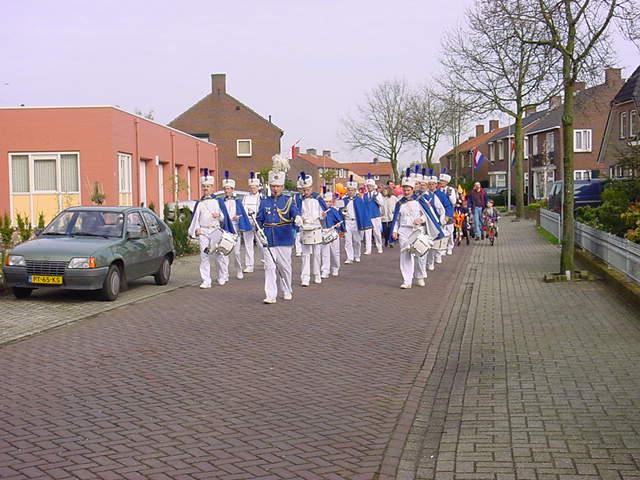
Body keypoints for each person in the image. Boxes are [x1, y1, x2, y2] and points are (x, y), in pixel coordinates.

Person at [256, 154, 301, 304]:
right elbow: (259, 219)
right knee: (269, 267)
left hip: (283, 237)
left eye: (278, 186)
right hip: (269, 238)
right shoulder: (264, 202)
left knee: (284, 266)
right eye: (273, 186)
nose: (275, 189)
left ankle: (287, 289)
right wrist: (257, 228)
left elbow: (294, 212)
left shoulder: (288, 200)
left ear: (282, 186)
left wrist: (297, 217)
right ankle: (270, 294)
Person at [390, 170, 427, 289]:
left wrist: (421, 219)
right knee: (405, 255)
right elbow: (396, 218)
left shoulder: (419, 200)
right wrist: (395, 230)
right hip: (404, 231)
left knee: (420, 254)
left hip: (416, 230)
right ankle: (407, 280)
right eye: (404, 190)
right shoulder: (399, 203)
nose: (406, 192)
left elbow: (428, 215)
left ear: (412, 189)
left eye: (408, 190)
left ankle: (420, 276)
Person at [187, 170, 224, 289]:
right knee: (204, 255)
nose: (205, 188)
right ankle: (206, 280)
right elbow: (196, 218)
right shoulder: (200, 203)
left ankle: (222, 275)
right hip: (203, 231)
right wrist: (196, 229)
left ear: (212, 187)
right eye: (204, 186)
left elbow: (224, 217)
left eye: (208, 186)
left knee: (218, 255)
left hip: (215, 230)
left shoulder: (218, 202)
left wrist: (218, 216)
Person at [216, 171, 252, 285]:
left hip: (235, 229)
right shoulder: (220, 202)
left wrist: (238, 218)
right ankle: (224, 274)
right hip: (226, 229)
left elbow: (243, 215)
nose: (227, 191)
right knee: (224, 252)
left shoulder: (238, 202)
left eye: (229, 189)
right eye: (225, 189)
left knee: (236, 252)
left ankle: (239, 269)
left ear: (233, 189)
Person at [297, 172, 327, 286]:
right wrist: (300, 219)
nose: (305, 192)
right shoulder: (299, 200)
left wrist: (323, 215)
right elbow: (298, 213)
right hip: (305, 228)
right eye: (303, 190)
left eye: (307, 189)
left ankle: (317, 274)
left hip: (316, 226)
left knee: (317, 253)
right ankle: (305, 277)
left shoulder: (318, 199)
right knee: (305, 254)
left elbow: (323, 212)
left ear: (311, 188)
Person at [342, 176, 372, 264]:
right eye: (349, 190)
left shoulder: (359, 200)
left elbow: (362, 212)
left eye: (352, 190)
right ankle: (349, 257)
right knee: (348, 241)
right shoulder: (344, 200)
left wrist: (364, 223)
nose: (350, 192)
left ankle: (357, 255)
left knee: (357, 240)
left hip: (356, 221)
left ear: (355, 191)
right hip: (347, 221)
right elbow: (340, 210)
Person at [241, 171, 263, 273]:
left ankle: (267, 260)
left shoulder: (262, 197)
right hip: (247, 223)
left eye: (255, 187)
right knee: (248, 244)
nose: (253, 189)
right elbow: (243, 209)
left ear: (258, 187)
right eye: (251, 187)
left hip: (258, 223)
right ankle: (249, 265)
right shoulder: (245, 197)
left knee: (262, 243)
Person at [321, 191, 344, 278]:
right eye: (326, 202)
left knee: (335, 252)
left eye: (329, 201)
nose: (327, 203)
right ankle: (325, 270)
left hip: (333, 232)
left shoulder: (334, 210)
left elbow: (340, 220)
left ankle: (335, 267)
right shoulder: (321, 211)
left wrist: (339, 225)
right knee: (325, 253)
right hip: (324, 232)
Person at [439, 169, 458, 255]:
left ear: (446, 182)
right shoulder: (437, 190)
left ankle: (450, 246)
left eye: (443, 181)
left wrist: (450, 195)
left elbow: (453, 202)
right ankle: (443, 247)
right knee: (441, 231)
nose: (441, 182)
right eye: (440, 181)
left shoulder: (450, 190)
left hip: (448, 212)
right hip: (440, 213)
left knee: (449, 231)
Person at [363, 173, 384, 254]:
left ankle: (379, 246)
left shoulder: (377, 194)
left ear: (373, 186)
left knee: (377, 232)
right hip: (368, 216)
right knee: (367, 233)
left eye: (370, 186)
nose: (369, 187)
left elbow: (381, 204)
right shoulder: (365, 195)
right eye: (367, 186)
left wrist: (376, 198)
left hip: (375, 215)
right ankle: (368, 249)